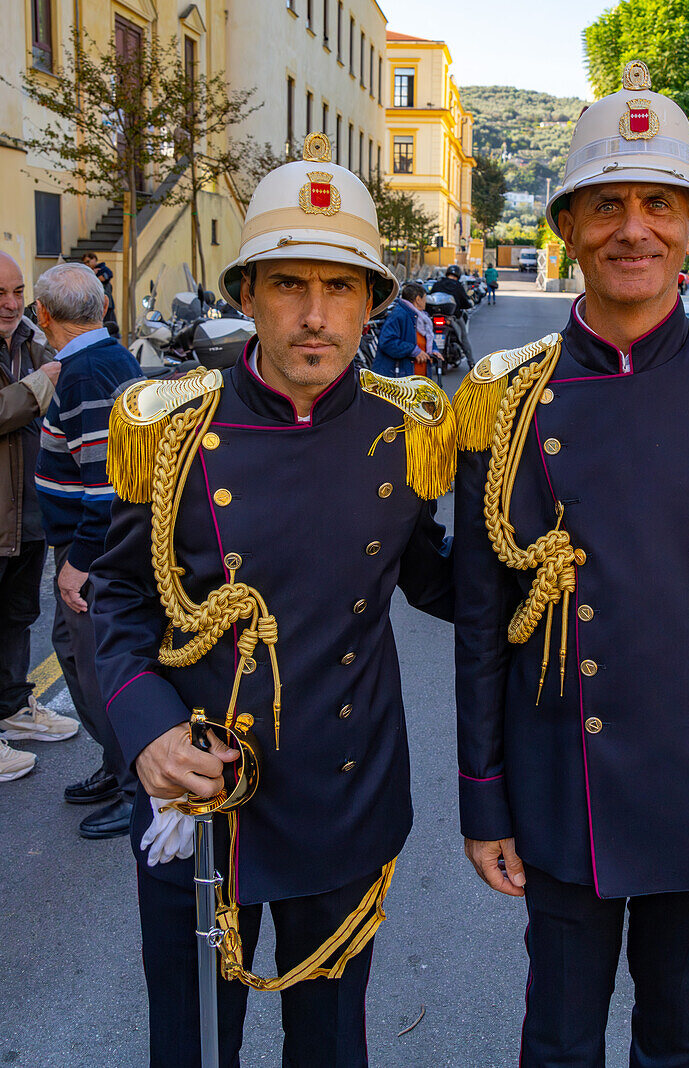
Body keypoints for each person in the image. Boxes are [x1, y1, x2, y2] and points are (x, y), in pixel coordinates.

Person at [453, 59, 689, 1068]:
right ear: (567, 226)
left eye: (658, 203)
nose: (634, 228)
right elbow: (485, 622)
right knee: (559, 1040)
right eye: (607, 204)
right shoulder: (504, 400)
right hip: (560, 782)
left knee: (680, 1035)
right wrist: (481, 794)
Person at [90, 133, 455, 1067]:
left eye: (340, 287)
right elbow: (122, 602)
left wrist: (582, 567)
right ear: (246, 295)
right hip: (200, 800)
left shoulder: (405, 428)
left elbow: (433, 575)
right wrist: (149, 737)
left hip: (345, 796)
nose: (314, 315)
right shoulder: (174, 429)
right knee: (193, 1046)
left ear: (373, 304)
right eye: (289, 284)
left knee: (330, 1049)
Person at [33, 263, 142, 834]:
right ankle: (113, 762)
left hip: (92, 551)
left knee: (96, 666)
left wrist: (76, 564)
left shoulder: (84, 374)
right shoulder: (104, 360)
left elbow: (105, 486)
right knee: (77, 657)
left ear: (44, 315)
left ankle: (133, 784)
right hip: (91, 545)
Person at [0, 253, 79, 780]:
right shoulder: (41, 359)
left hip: (29, 515)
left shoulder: (32, 338)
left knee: (17, 616)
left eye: (17, 292)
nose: (10, 305)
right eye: (0, 295)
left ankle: (13, 709)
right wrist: (41, 384)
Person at [372, 281, 438, 377]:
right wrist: (413, 351)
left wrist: (434, 350)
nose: (425, 302)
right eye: (424, 298)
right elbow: (387, 342)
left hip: (417, 379)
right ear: (418, 299)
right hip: (400, 379)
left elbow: (426, 338)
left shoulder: (420, 317)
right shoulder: (399, 315)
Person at [430, 264, 475, 368]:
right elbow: (465, 302)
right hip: (453, 317)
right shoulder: (458, 285)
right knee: (463, 338)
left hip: (435, 316)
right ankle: (471, 363)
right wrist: (468, 304)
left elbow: (431, 296)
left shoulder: (438, 283)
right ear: (458, 275)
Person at [82, 252, 117, 334]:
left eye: (88, 261)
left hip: (105, 303)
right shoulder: (88, 272)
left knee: (108, 326)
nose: (87, 264)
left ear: (94, 259)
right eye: (85, 263)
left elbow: (104, 278)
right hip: (93, 304)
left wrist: (93, 275)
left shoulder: (102, 269)